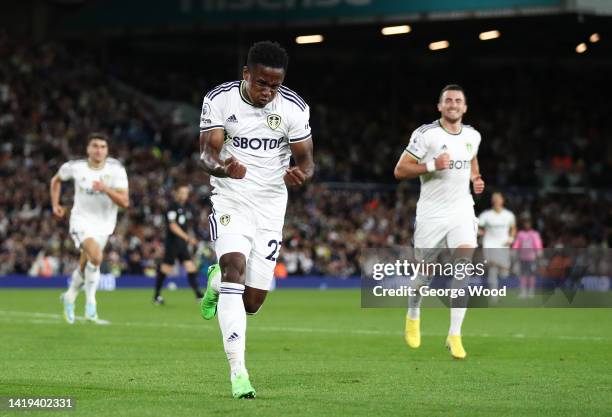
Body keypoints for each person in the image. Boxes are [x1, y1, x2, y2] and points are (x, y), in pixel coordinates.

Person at [197, 41, 314, 398]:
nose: (267, 91)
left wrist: (302, 174)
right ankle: (238, 373)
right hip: (231, 196)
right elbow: (206, 153)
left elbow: (307, 161)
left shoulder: (294, 108)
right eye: (261, 83)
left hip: (270, 205)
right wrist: (223, 168)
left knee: (251, 303)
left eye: (274, 85)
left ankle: (215, 282)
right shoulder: (220, 99)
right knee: (235, 266)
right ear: (246, 74)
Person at [394, 84, 485, 359]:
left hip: (461, 210)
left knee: (463, 268)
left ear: (465, 107)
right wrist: (433, 165)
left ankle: (454, 335)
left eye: (458, 100)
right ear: (440, 106)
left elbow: (472, 160)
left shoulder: (473, 135)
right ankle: (413, 311)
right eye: (448, 100)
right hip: (432, 214)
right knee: (424, 275)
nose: (454, 104)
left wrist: (475, 178)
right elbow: (400, 170)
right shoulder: (426, 135)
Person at [50, 132, 129, 324]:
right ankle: (91, 307)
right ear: (88, 149)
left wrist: (105, 189)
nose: (98, 150)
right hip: (81, 221)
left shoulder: (116, 169)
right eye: (95, 146)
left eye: (102, 147)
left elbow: (124, 202)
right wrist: (55, 204)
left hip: (104, 224)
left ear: (107, 150)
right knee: (96, 255)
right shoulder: (75, 168)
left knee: (86, 263)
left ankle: (69, 296)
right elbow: (56, 180)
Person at [153, 184, 204, 305]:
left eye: (186, 193)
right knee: (166, 269)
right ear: (176, 193)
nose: (184, 195)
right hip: (173, 243)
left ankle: (198, 295)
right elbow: (172, 226)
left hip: (182, 244)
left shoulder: (186, 207)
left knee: (191, 267)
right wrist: (188, 237)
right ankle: (156, 296)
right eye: (182, 192)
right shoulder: (172, 207)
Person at [478, 192, 516, 301]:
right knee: (493, 268)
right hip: (489, 244)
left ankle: (504, 290)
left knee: (504, 272)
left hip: (503, 244)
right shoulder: (486, 215)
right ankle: (493, 295)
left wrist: (511, 239)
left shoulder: (509, 215)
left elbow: (513, 228)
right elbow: (478, 227)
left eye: (498, 198)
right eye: (494, 198)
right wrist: (481, 233)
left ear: (502, 200)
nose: (496, 200)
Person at [512, 217, 543, 298]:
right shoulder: (520, 234)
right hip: (522, 257)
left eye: (528, 223)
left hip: (531, 258)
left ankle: (531, 291)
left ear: (531, 225)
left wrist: (539, 252)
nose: (527, 225)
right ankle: (523, 291)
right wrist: (514, 251)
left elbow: (537, 244)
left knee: (531, 275)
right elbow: (517, 243)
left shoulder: (534, 234)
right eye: (525, 223)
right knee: (523, 275)